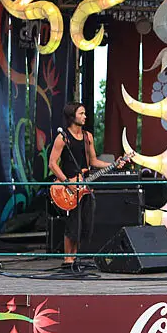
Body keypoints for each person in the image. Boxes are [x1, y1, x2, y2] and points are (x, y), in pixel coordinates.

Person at [48, 102, 118, 269]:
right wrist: (67, 182)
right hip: (69, 186)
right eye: (81, 113)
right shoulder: (63, 137)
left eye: (85, 113)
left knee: (86, 222)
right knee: (73, 222)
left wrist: (115, 164)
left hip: (84, 185)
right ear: (72, 116)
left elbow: (93, 161)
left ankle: (76, 257)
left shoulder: (88, 137)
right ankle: (68, 259)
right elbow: (52, 164)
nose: (85, 116)